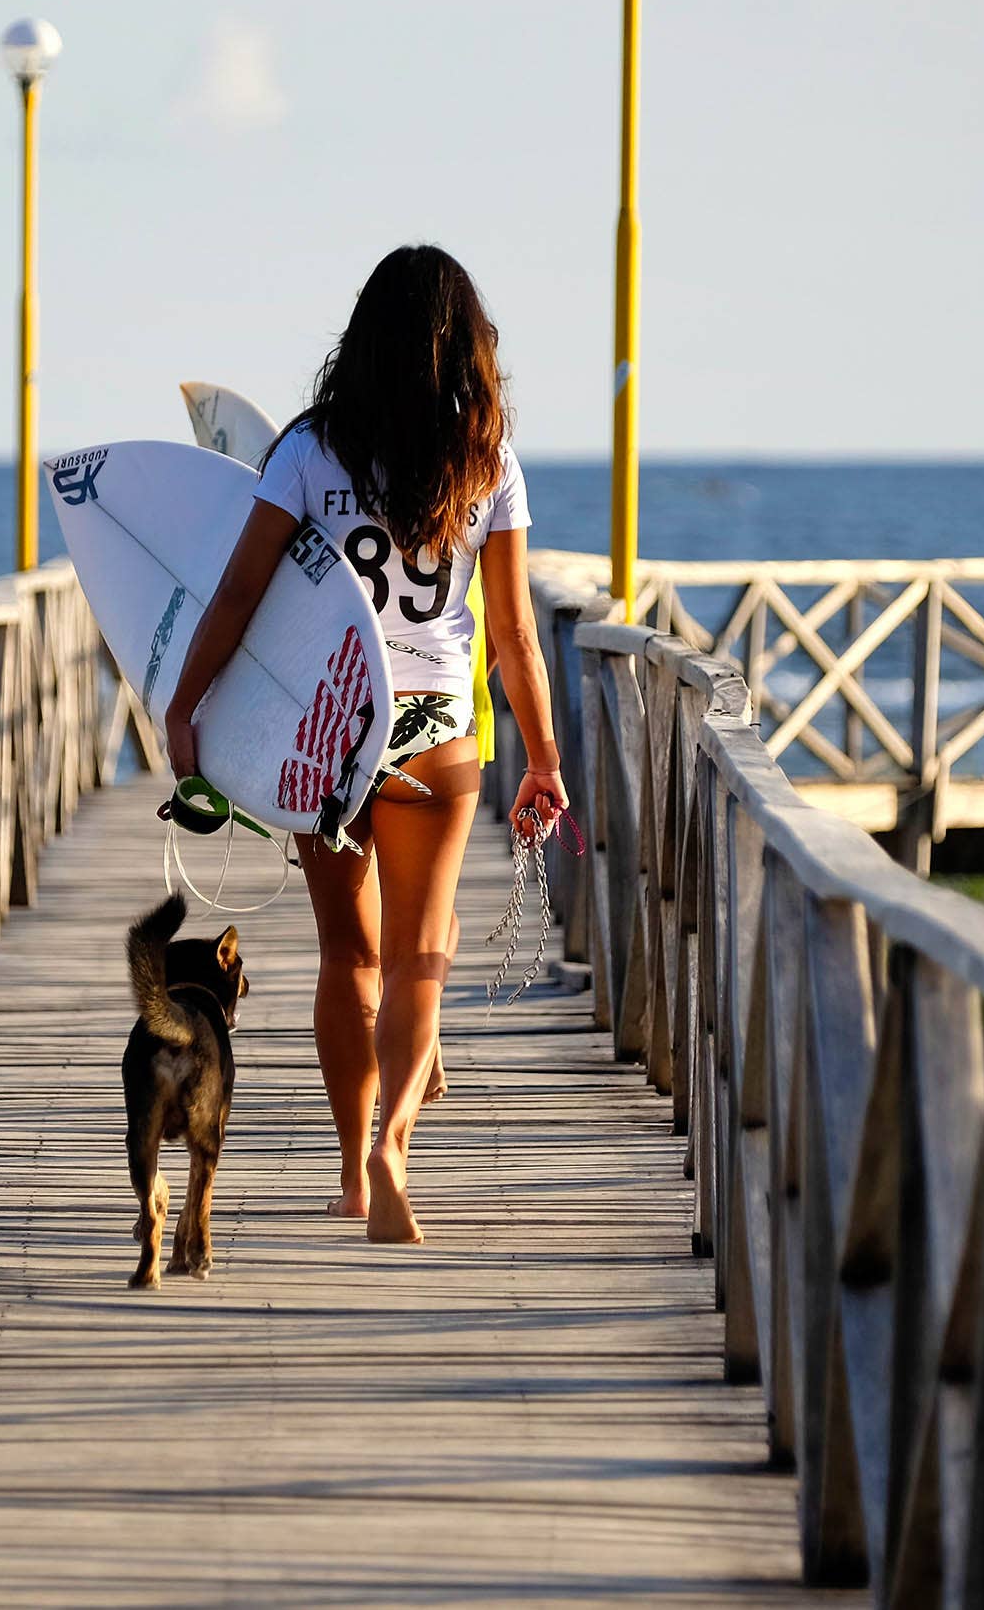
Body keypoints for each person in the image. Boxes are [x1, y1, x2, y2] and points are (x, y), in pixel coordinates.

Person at [162, 244, 568, 1245]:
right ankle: (395, 1141)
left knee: (351, 951)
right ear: (469, 345)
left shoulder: (307, 450)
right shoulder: (489, 457)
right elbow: (513, 631)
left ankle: (350, 1170)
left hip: (330, 726)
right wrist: (546, 758)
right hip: (437, 732)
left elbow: (244, 593)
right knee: (422, 953)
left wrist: (185, 705)